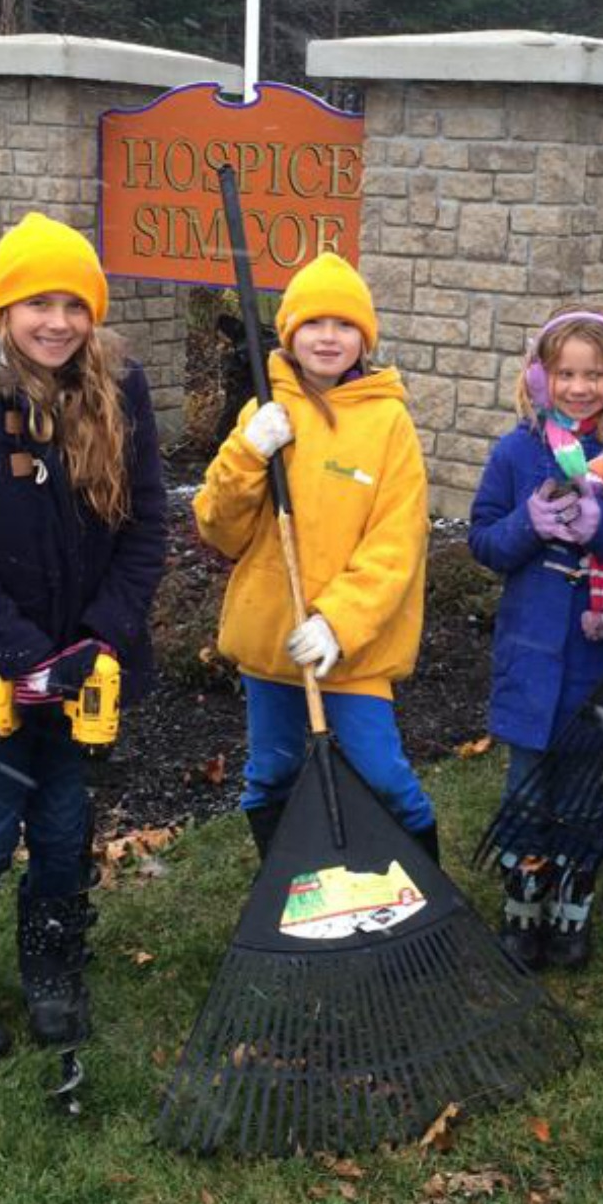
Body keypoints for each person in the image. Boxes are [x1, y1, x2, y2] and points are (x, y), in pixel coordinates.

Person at [0, 213, 164, 1065]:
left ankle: (53, 968)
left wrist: (103, 637)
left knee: (63, 826)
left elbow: (147, 526)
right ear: (3, 306)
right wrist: (22, 654)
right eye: (36, 303)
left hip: (88, 666)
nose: (57, 321)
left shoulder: (119, 389)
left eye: (74, 304)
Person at [194, 252, 439, 860]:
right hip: (273, 642)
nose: (328, 338)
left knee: (382, 776)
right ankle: (284, 889)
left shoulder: (388, 424)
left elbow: (396, 543)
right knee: (270, 774)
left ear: (365, 337)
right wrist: (247, 455)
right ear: (289, 331)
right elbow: (219, 528)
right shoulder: (263, 414)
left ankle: (424, 892)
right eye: (313, 323)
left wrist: (337, 622)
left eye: (344, 325)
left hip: (354, 648)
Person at [468, 309, 603, 969]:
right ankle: (523, 903)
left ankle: (572, 907)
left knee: (587, 791)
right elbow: (484, 540)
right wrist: (528, 525)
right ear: (540, 378)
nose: (580, 386)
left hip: (602, 663)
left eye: (596, 374)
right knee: (527, 789)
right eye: (565, 373)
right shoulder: (517, 452)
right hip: (529, 664)